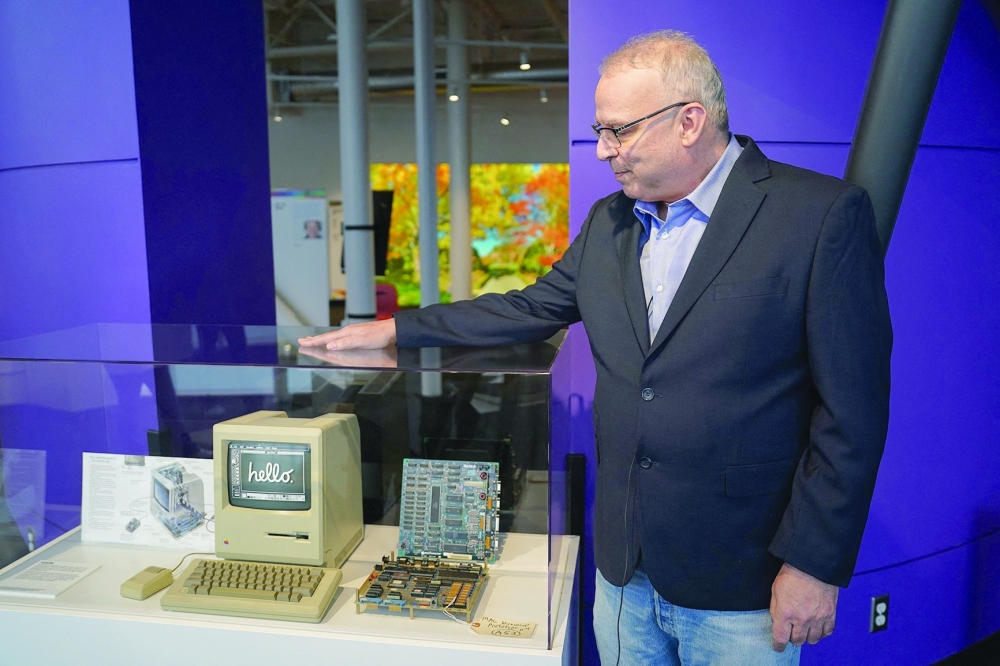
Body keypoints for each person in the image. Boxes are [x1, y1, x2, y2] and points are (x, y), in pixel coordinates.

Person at [300, 30, 891, 666]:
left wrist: (812, 564)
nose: (604, 150)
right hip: (622, 568)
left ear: (690, 120)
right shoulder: (610, 220)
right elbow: (528, 307)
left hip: (743, 579)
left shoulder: (818, 215)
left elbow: (852, 414)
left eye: (620, 131)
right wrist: (398, 330)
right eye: (600, 130)